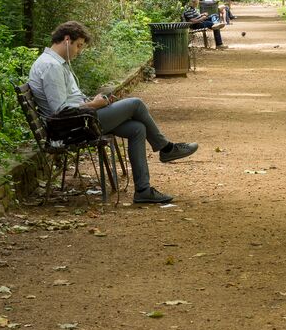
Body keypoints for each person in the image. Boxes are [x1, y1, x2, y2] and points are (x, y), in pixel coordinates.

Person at [28, 21, 197, 205]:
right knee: (136, 104)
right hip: (73, 127)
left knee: (137, 128)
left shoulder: (57, 63)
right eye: (78, 46)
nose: (79, 51)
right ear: (66, 39)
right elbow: (60, 111)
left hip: (79, 121)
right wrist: (94, 105)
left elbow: (68, 103)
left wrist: (93, 102)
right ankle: (166, 148)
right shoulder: (51, 66)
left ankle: (143, 190)